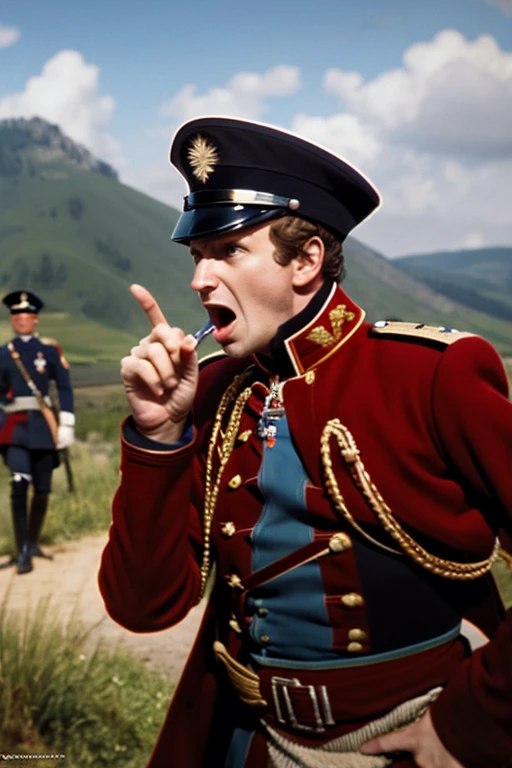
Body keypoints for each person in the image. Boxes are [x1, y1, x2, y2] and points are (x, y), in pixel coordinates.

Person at [98, 118, 512, 768]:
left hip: (407, 742)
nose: (199, 280)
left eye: (229, 250)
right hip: (244, 741)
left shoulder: (431, 373)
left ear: (308, 260)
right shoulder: (210, 388)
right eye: (195, 255)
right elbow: (143, 609)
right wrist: (157, 434)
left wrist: (468, 726)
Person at [0, 290, 75, 574]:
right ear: (12, 320)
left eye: (26, 316)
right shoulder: (3, 354)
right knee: (19, 483)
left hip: (44, 428)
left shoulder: (50, 351)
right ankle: (22, 551)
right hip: (14, 429)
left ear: (35, 319)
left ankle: (32, 542)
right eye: (16, 316)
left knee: (42, 490)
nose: (21, 321)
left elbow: (64, 387)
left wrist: (66, 423)